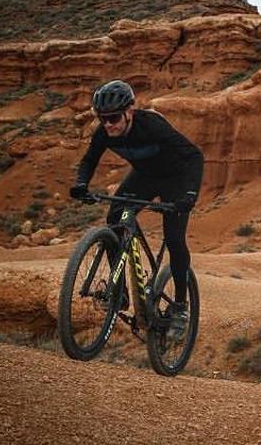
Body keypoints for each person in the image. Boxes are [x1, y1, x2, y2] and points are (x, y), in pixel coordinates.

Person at [69, 79, 204, 338]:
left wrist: (189, 195)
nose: (108, 124)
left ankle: (179, 307)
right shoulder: (104, 132)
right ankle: (119, 294)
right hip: (144, 177)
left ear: (130, 111)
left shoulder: (152, 125)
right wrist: (81, 184)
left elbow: (194, 156)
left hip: (175, 179)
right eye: (103, 118)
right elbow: (89, 160)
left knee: (174, 239)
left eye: (114, 118)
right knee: (116, 218)